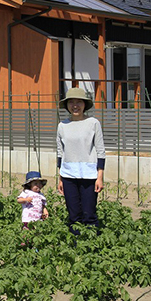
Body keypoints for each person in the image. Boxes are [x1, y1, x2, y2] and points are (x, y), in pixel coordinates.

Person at [55, 87, 106, 234]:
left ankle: (91, 246)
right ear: (67, 105)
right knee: (73, 214)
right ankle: (75, 246)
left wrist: (99, 177)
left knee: (89, 213)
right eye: (71, 102)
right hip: (68, 175)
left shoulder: (93, 123)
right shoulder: (62, 125)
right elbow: (60, 152)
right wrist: (60, 178)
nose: (75, 105)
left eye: (79, 102)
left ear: (84, 105)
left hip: (89, 175)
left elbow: (100, 151)